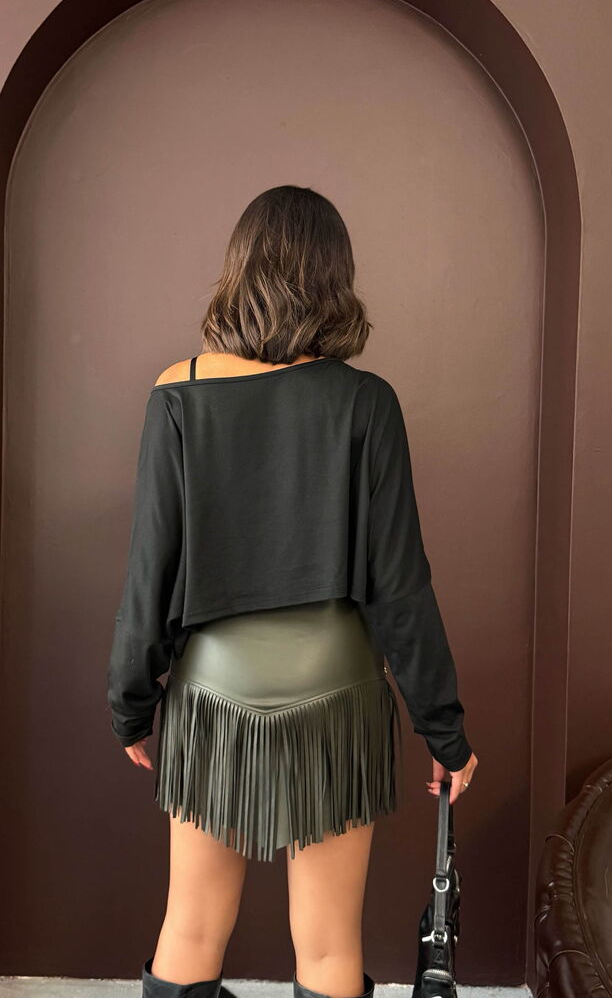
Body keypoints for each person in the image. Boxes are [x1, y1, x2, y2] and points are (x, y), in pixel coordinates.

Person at [106, 185, 478, 998]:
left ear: (239, 270)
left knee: (191, 926)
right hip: (336, 698)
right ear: (335, 280)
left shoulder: (178, 391)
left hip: (213, 697)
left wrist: (132, 705)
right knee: (329, 942)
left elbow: (149, 571)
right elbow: (401, 589)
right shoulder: (366, 402)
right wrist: (444, 734)